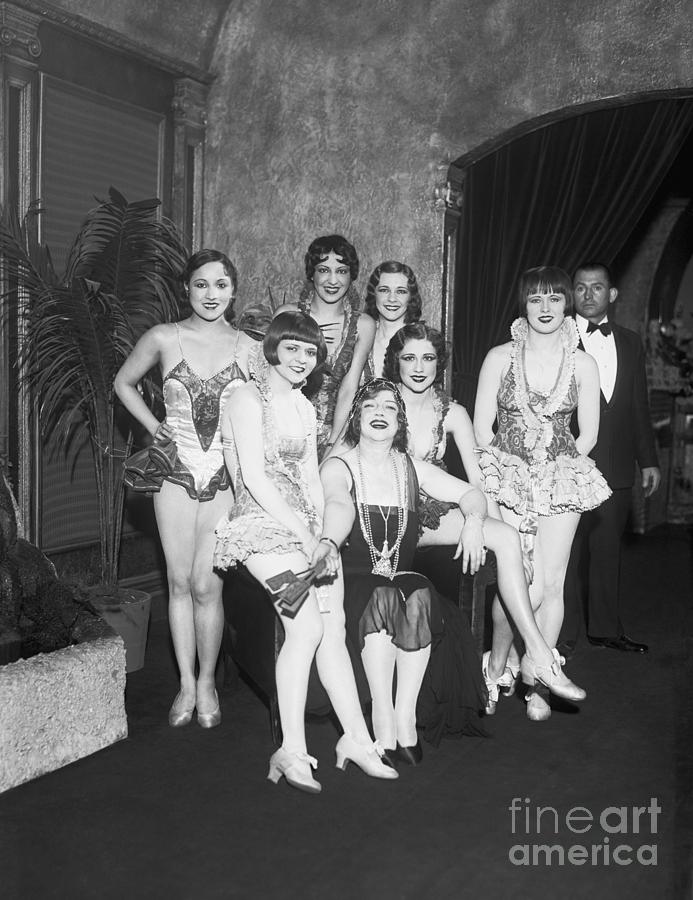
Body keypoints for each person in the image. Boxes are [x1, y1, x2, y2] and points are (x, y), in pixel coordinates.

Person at [320, 379, 585, 759]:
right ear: (355, 418)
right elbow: (337, 504)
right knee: (384, 598)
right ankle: (383, 723)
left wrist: (475, 522)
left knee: (420, 594)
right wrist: (330, 539)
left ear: (400, 424)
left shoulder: (409, 467)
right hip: (354, 585)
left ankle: (405, 720)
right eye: (370, 407)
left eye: (390, 409)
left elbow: (470, 492)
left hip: (395, 578)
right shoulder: (340, 466)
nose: (380, 414)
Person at [214, 312, 397, 794]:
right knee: (307, 625)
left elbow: (313, 481)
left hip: (304, 531)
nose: (302, 360)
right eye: (292, 348)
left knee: (333, 628)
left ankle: (357, 740)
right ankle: (291, 749)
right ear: (272, 347)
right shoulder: (244, 397)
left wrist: (324, 537)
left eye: (311, 352)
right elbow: (252, 476)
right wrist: (300, 531)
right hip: (259, 528)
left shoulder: (303, 404)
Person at [384, 323, 587, 718]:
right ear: (396, 362)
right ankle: (536, 659)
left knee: (509, 540)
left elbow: (480, 481)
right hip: (386, 518)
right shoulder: (380, 402)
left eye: (428, 358)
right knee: (503, 540)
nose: (420, 367)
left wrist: (486, 524)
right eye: (410, 358)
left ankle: (532, 660)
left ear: (439, 363)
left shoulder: (452, 412)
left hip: (432, 516)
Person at [115, 249, 259, 728]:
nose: (211, 294)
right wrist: (155, 426)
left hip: (225, 477)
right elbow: (123, 383)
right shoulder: (164, 337)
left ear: (233, 291)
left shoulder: (249, 348)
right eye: (201, 285)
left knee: (206, 586)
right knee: (177, 583)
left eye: (220, 285)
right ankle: (183, 683)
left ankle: (207, 684)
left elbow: (266, 408)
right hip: (174, 475)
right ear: (186, 289)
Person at [474, 266, 611, 721]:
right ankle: (496, 664)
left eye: (555, 298)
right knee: (515, 582)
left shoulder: (584, 363)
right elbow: (480, 427)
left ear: (566, 303)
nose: (546, 308)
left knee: (551, 583)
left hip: (560, 478)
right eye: (536, 299)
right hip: (507, 477)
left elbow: (588, 432)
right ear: (524, 305)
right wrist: (502, 475)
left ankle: (538, 681)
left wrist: (557, 467)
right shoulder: (499, 357)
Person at [560, 263, 660, 655]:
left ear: (611, 295)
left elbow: (638, 406)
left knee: (606, 551)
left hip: (616, 467)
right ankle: (561, 634)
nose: (587, 295)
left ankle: (604, 628)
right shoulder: (558, 337)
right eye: (580, 288)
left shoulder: (632, 342)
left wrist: (647, 459)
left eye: (596, 287)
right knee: (565, 554)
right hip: (567, 467)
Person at [276, 235, 375, 458]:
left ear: (352, 276)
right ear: (312, 273)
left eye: (341, 271)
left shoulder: (364, 325)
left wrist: (332, 448)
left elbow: (349, 389)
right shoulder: (286, 315)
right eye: (323, 270)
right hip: (288, 429)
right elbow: (274, 383)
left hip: (341, 435)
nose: (332, 280)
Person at [363, 260, 422, 379]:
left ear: (410, 297)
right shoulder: (360, 337)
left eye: (401, 291)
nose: (392, 299)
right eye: (384, 290)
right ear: (374, 294)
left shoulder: (422, 340)